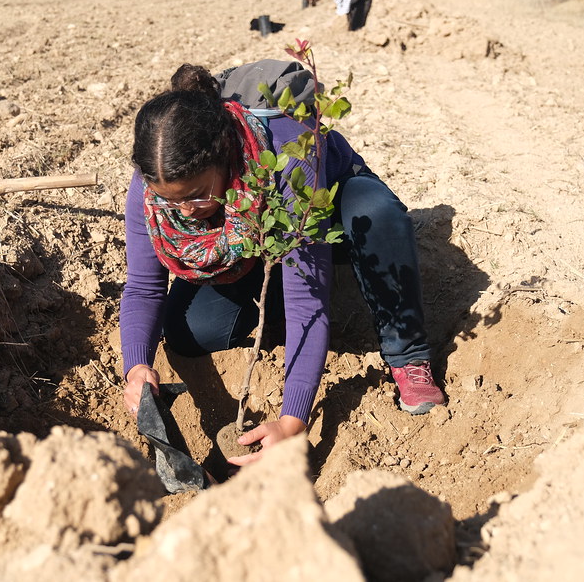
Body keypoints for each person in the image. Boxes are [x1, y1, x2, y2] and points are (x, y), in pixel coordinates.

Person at [120, 60, 444, 466]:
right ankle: (271, 308)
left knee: (375, 215)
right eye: (172, 199)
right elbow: (143, 287)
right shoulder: (154, 184)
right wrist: (136, 368)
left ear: (224, 156)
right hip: (254, 244)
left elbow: (308, 299)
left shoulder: (286, 153)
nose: (184, 210)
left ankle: (407, 355)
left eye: (197, 194)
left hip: (332, 213)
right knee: (187, 331)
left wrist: (292, 419)